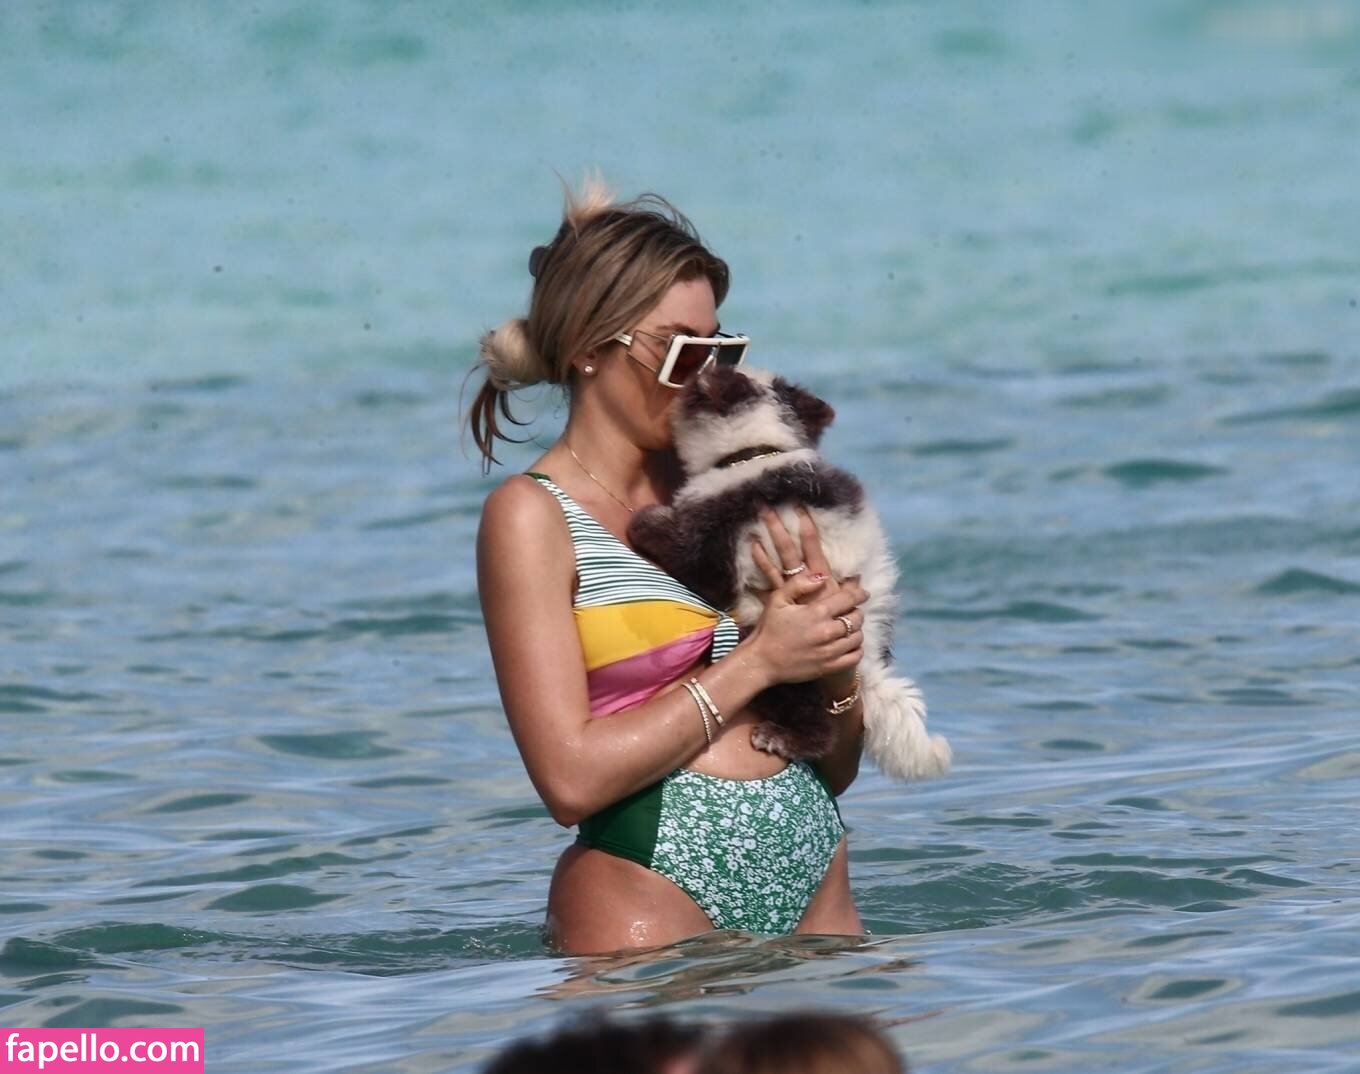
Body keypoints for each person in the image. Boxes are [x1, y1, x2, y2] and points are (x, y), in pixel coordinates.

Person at [468, 168, 871, 955]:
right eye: (684, 352)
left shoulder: (731, 489)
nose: (709, 380)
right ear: (590, 348)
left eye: (722, 350)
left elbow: (839, 765)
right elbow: (569, 781)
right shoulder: (531, 517)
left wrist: (835, 666)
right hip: (645, 885)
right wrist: (760, 662)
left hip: (816, 872)